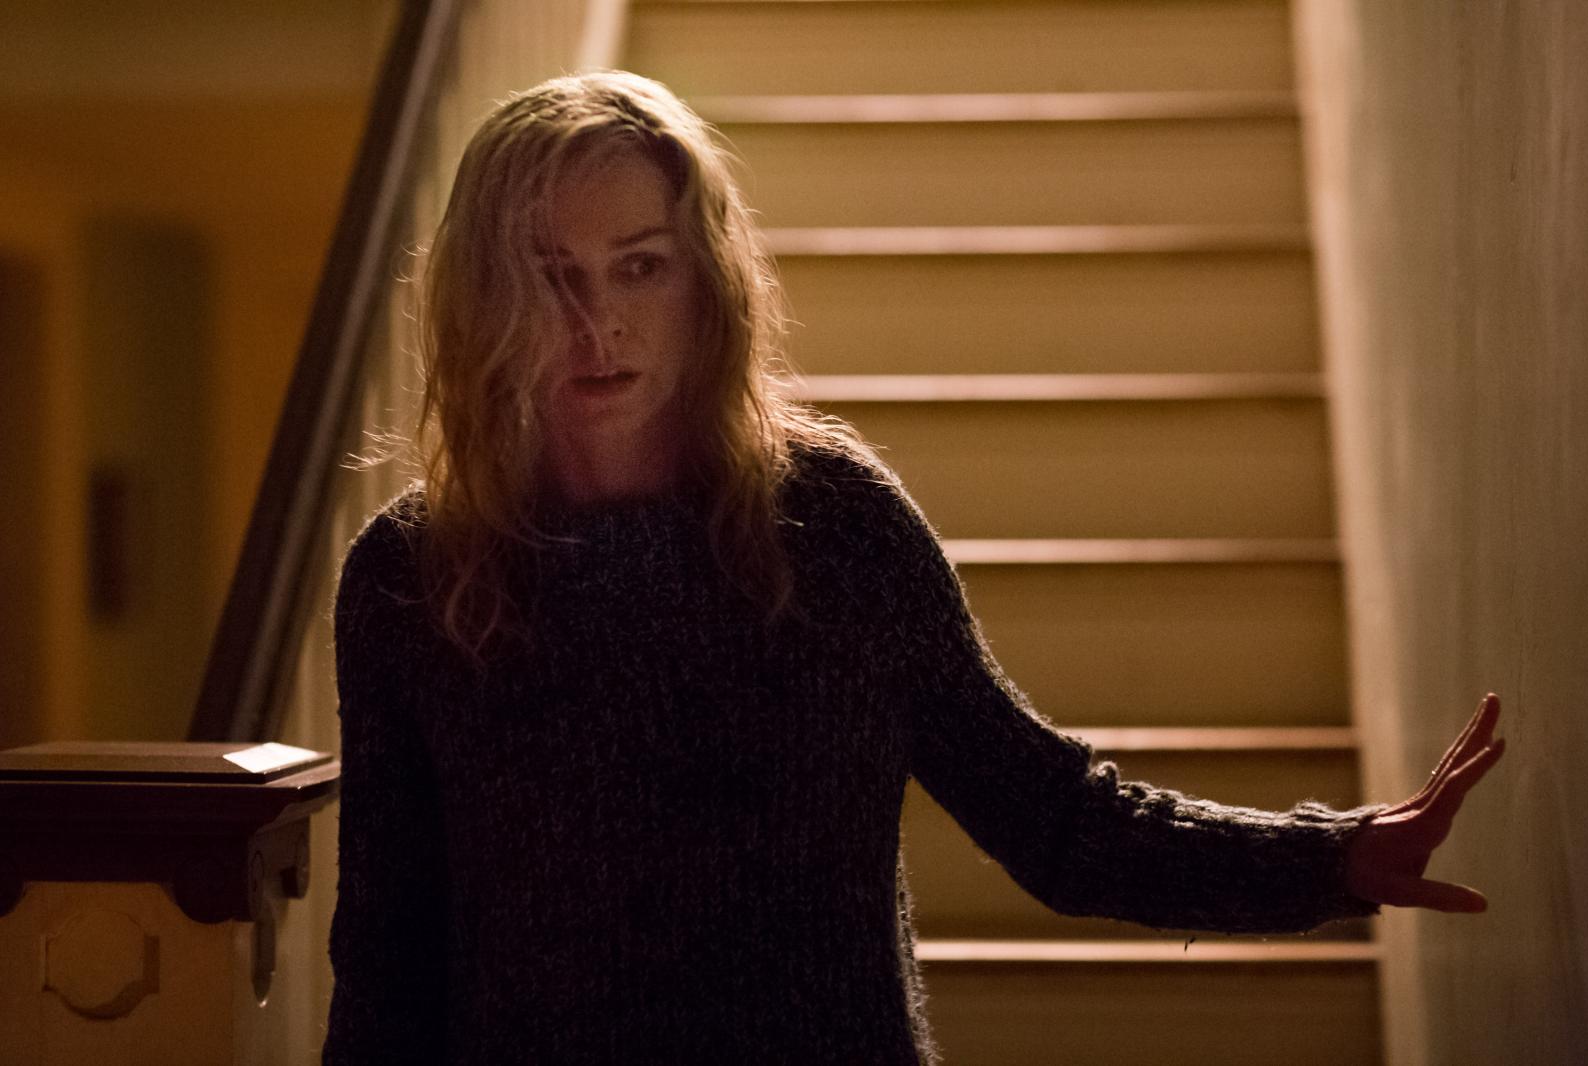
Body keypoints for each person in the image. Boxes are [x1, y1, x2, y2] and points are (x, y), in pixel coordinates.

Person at [322, 71, 1506, 1065]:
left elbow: (1049, 817)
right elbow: (386, 954)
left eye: (639, 266)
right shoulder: (411, 576)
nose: (599, 322)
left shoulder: (832, 527)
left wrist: (1332, 858)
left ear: (704, 280)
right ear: (484, 295)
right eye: (550, 273)